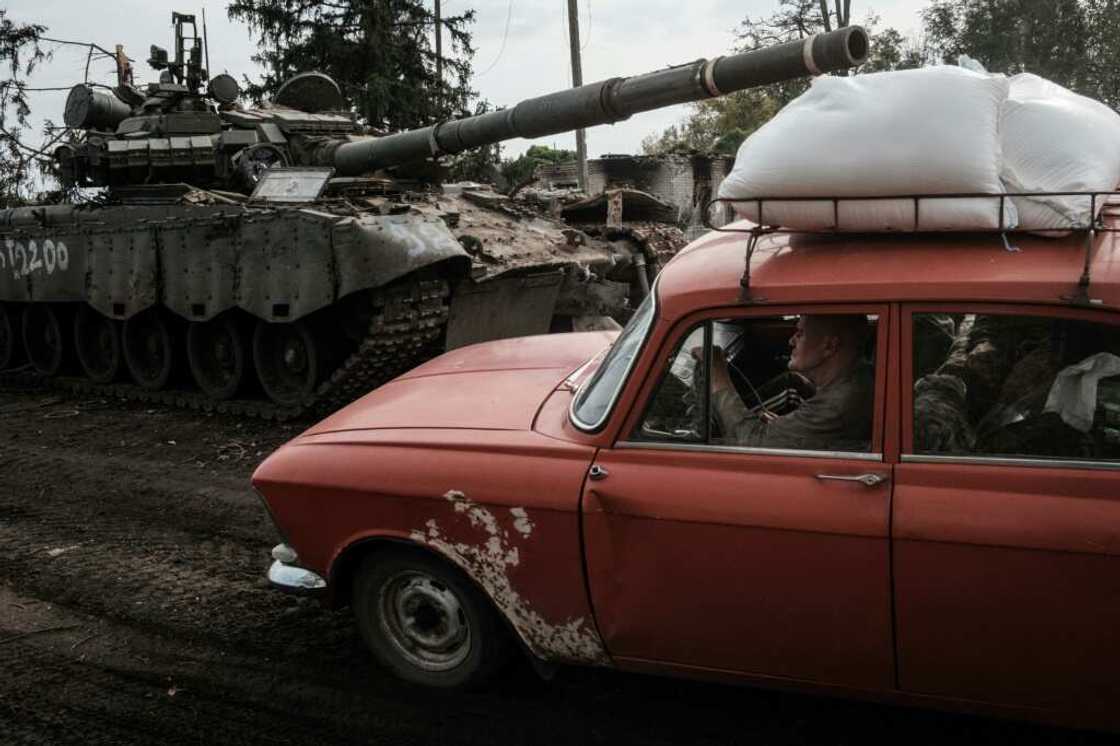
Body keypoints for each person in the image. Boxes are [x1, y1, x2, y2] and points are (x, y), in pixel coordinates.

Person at [709, 314, 874, 450]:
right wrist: (782, 427)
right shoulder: (860, 377)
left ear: (829, 346)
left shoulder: (837, 404)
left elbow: (750, 442)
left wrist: (717, 370)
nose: (791, 341)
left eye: (800, 333)